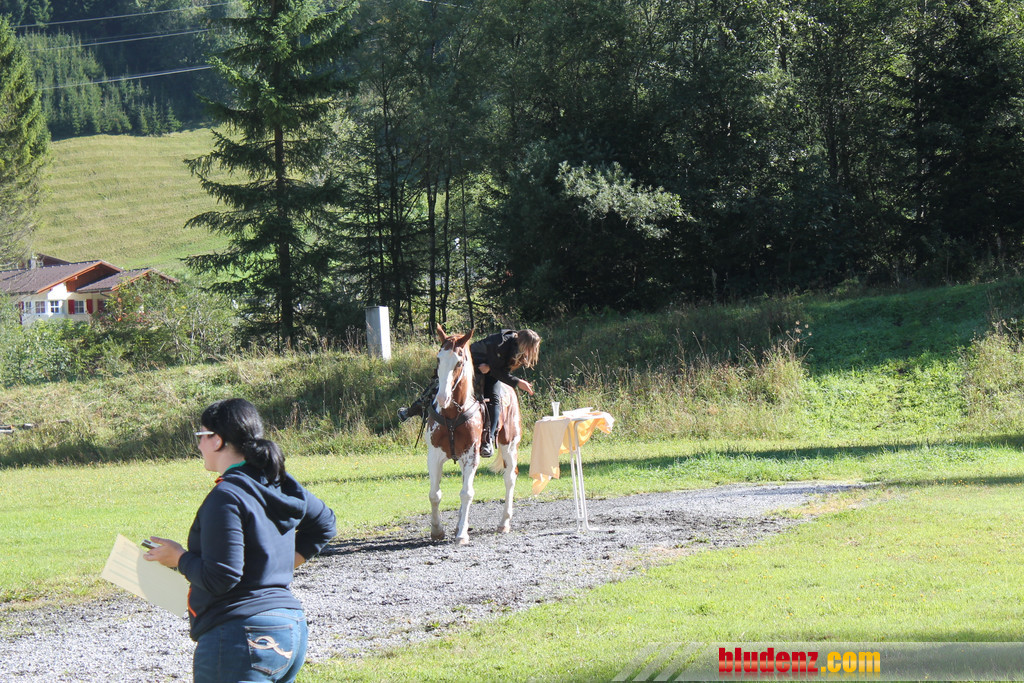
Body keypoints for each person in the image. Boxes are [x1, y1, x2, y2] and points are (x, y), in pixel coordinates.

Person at [144, 398, 336, 683]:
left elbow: (221, 577)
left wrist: (179, 558)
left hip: (240, 636)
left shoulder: (226, 497)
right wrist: (276, 568)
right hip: (290, 629)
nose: (198, 446)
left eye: (200, 436)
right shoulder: (277, 483)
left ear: (217, 440)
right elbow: (324, 524)